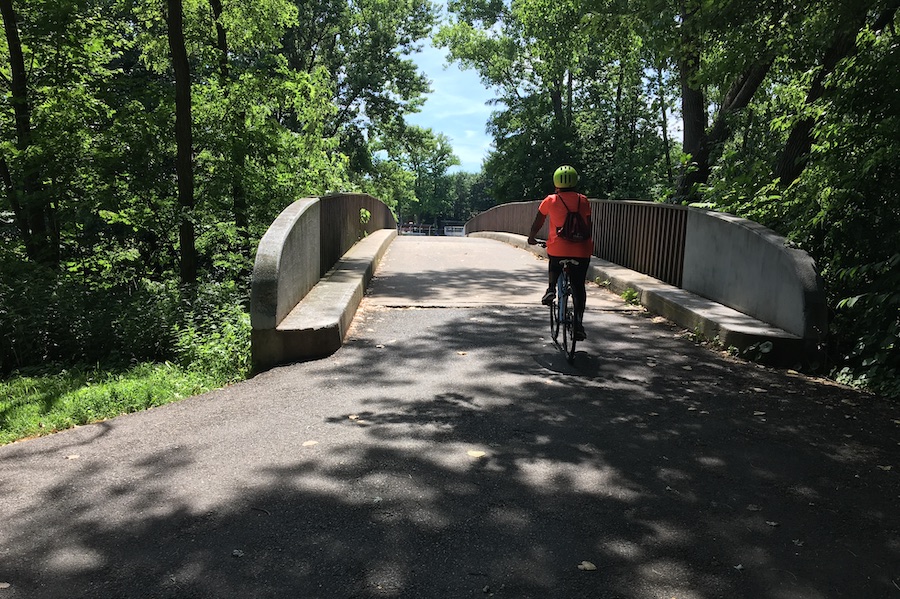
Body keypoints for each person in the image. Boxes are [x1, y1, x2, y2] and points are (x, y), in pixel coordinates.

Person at [527, 165, 593, 340]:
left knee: (555, 260)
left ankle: (550, 289)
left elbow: (538, 222)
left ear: (556, 182)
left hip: (559, 249)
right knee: (579, 286)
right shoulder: (584, 200)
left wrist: (531, 237)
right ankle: (578, 324)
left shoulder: (550, 200)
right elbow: (588, 225)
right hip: (582, 250)